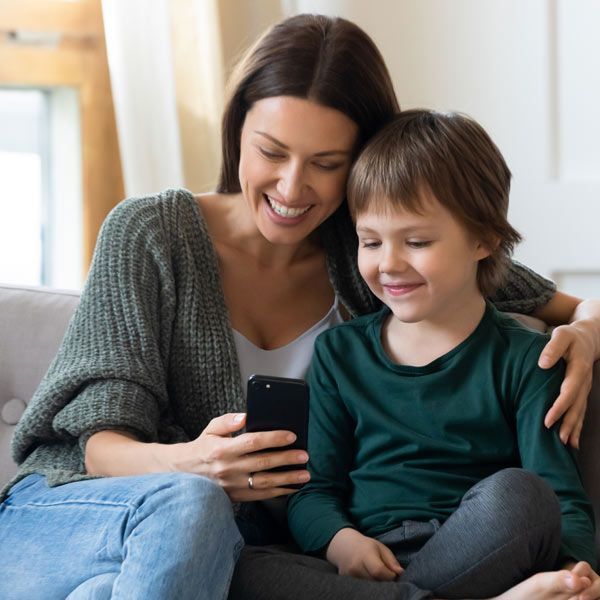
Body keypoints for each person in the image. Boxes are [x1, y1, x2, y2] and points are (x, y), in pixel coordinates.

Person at [0, 13, 598, 600]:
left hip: (232, 549)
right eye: (271, 151)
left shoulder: (370, 248)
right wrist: (194, 463)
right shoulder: (151, 233)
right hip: (90, 504)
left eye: (326, 165)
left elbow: (522, 279)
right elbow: (96, 444)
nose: (291, 189)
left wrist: (589, 333)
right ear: (237, 130)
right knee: (197, 504)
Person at [282, 109, 598, 600]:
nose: (388, 263)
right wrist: (341, 542)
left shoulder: (527, 359)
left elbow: (558, 495)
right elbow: (313, 490)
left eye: (417, 241)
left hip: (477, 548)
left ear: (484, 239)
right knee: (249, 565)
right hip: (371, 560)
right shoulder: (339, 353)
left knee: (523, 496)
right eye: (370, 241)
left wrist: (577, 570)